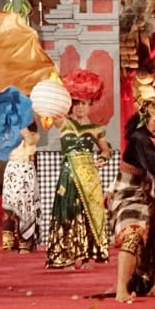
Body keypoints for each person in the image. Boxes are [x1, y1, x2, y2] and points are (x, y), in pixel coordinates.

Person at [109, 99, 155, 302]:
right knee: (132, 233)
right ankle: (121, 290)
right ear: (145, 118)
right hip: (131, 195)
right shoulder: (139, 138)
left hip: (150, 197)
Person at [46, 96, 112, 269]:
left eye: (84, 103)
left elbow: (105, 150)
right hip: (68, 174)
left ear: (90, 106)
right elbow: (50, 110)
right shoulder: (63, 123)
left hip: (89, 175)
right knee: (67, 212)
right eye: (76, 103)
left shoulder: (97, 128)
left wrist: (103, 159)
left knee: (87, 213)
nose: (80, 107)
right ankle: (66, 256)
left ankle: (85, 257)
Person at [1, 124, 42, 252]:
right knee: (10, 205)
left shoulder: (34, 133)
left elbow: (30, 141)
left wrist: (21, 124)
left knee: (26, 205)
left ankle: (25, 241)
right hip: (12, 170)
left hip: (26, 171)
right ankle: (9, 240)